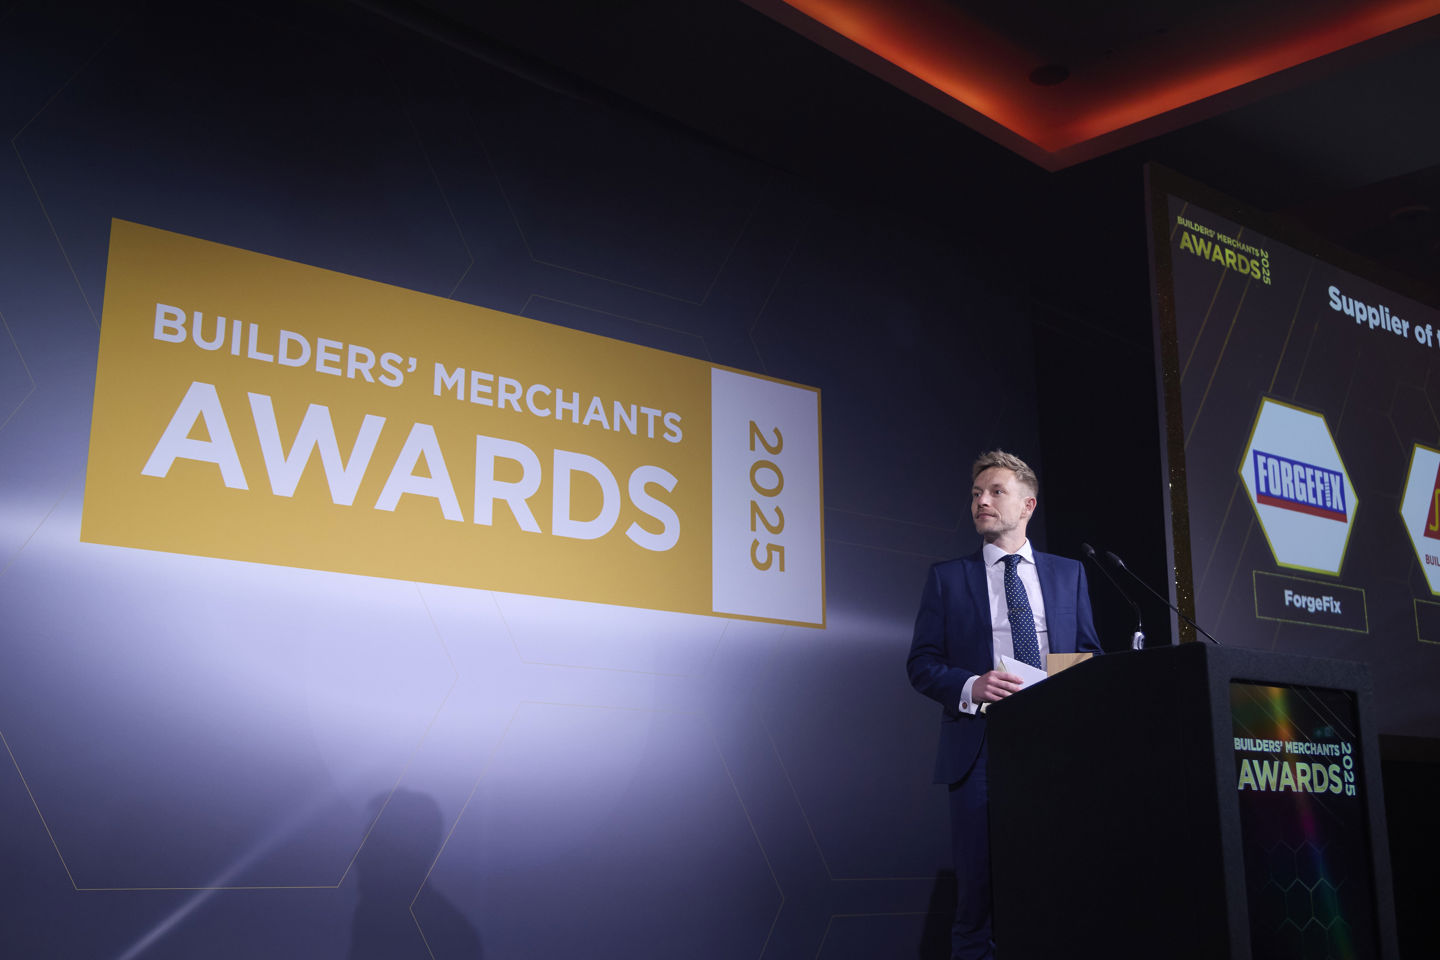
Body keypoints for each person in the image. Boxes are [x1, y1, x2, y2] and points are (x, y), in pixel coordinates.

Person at [907, 450, 1101, 960]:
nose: (982, 501)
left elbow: (1090, 654)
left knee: (1057, 885)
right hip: (982, 751)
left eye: (996, 492)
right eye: (976, 494)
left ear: (1028, 505)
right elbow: (921, 663)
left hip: (1056, 748)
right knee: (977, 898)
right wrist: (972, 685)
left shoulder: (1069, 574)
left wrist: (1065, 688)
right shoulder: (948, 578)